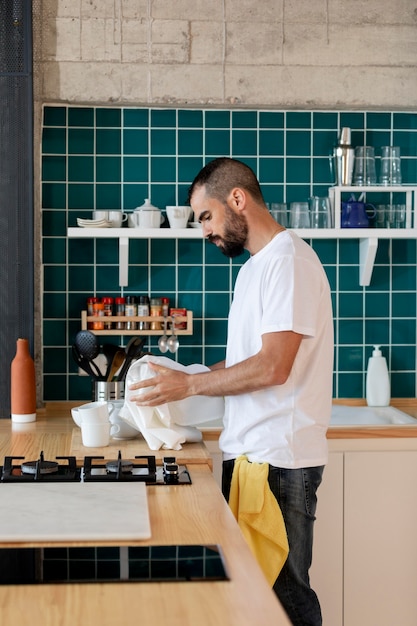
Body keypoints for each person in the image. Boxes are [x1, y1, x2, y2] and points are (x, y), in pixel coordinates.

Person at [129, 157, 334, 626]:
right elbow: (247, 360)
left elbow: (273, 367)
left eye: (206, 216)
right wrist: (180, 379)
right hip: (250, 458)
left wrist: (191, 383)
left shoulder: (291, 263)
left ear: (237, 199)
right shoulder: (254, 270)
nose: (204, 231)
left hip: (281, 464)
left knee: (287, 599)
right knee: (252, 597)